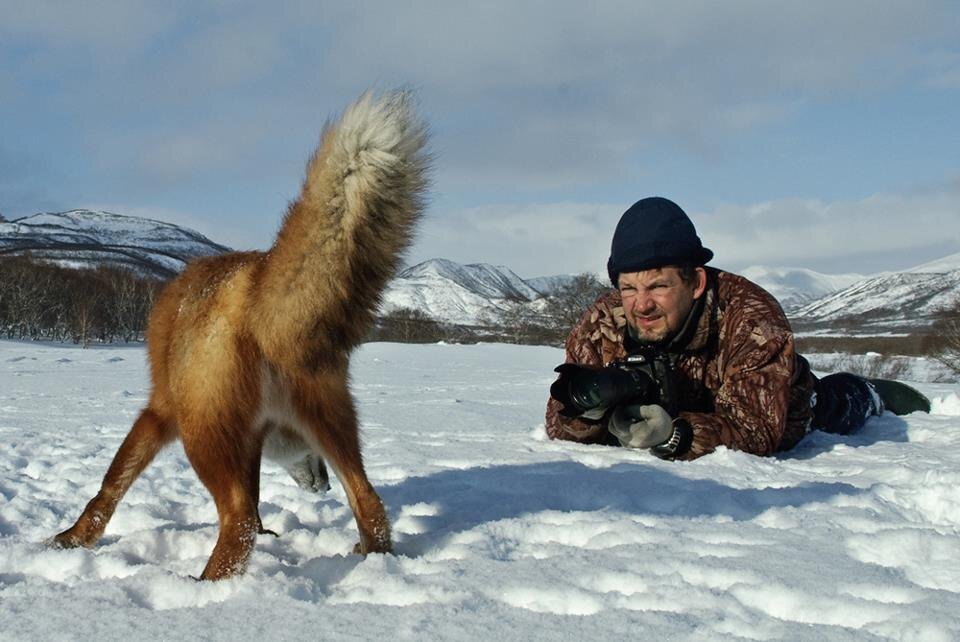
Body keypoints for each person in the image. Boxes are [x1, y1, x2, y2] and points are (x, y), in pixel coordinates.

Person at [545, 197, 930, 460]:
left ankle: (870, 393)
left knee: (830, 405)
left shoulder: (750, 315)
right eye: (628, 288)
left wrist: (674, 435)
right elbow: (559, 416)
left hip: (786, 407)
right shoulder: (604, 320)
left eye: (658, 286)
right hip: (689, 408)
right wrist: (596, 415)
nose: (641, 304)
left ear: (695, 283)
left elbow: (757, 430)